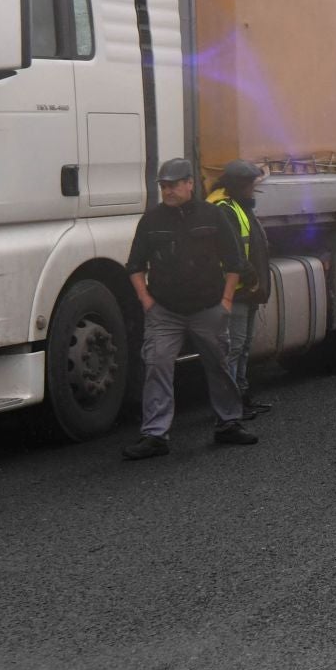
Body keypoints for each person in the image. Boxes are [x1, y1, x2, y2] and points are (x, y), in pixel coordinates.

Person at [121, 158, 259, 458]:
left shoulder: (211, 215)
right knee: (157, 365)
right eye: (164, 186)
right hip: (165, 311)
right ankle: (155, 436)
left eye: (173, 185)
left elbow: (234, 260)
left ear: (189, 184)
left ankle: (228, 424)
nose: (168, 191)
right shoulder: (151, 221)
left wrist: (225, 301)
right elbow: (134, 266)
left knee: (219, 365)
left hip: (207, 307)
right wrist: (147, 302)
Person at [209, 158, 273, 419]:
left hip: (247, 291)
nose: (253, 190)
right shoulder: (226, 209)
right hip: (237, 291)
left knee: (243, 346)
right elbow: (232, 251)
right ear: (238, 185)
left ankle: (243, 399)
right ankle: (231, 405)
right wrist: (251, 276)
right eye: (250, 185)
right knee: (234, 348)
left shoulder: (240, 207)